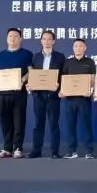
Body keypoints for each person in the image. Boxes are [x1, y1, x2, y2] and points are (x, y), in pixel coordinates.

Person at [0, 28, 34, 158]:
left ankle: (18, 148)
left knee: (19, 121)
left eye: (16, 36)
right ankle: (7, 148)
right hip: (2, 94)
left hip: (18, 93)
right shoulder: (0, 55)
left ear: (20, 39)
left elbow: (31, 71)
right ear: (7, 38)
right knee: (5, 122)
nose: (13, 38)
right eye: (10, 36)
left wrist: (22, 80)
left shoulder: (27, 54)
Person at [30, 30, 66, 159]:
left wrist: (59, 87)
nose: (46, 41)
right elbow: (32, 74)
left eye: (49, 39)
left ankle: (55, 151)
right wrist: (31, 86)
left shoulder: (60, 57)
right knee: (38, 124)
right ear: (41, 41)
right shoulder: (35, 57)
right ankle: (36, 150)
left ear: (53, 41)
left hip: (53, 95)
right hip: (38, 95)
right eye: (44, 39)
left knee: (54, 124)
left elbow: (63, 75)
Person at [62, 38, 97, 159]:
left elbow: (92, 80)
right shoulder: (67, 62)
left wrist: (90, 90)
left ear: (85, 48)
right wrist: (62, 91)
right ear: (73, 48)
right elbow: (64, 79)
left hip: (84, 99)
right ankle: (71, 151)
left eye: (81, 46)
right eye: (76, 46)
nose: (78, 48)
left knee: (87, 125)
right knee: (70, 125)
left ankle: (89, 151)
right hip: (70, 99)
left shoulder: (90, 62)